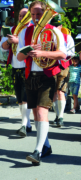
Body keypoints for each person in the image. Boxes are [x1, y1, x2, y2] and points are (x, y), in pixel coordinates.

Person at [17, 0, 67, 165]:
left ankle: (37, 151)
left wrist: (42, 52)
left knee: (41, 112)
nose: (36, 17)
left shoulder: (54, 31)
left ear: (46, 14)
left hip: (47, 74)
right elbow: (19, 57)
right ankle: (45, 146)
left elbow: (62, 54)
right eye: (33, 14)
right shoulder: (26, 32)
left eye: (39, 14)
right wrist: (28, 50)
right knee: (36, 113)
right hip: (30, 74)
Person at [0, 8, 32, 137]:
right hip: (15, 66)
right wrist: (8, 41)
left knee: (25, 97)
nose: (21, 18)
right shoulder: (13, 30)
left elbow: (34, 45)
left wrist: (18, 41)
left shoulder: (32, 29)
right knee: (19, 98)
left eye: (24, 15)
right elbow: (3, 46)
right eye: (20, 15)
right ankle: (27, 123)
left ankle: (24, 124)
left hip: (28, 66)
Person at [50, 18, 75, 127]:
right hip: (51, 65)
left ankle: (60, 117)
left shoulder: (67, 37)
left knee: (60, 91)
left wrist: (60, 52)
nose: (56, 28)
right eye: (54, 26)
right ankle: (57, 114)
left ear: (61, 26)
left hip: (63, 66)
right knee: (53, 92)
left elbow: (71, 52)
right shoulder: (48, 36)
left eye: (58, 26)